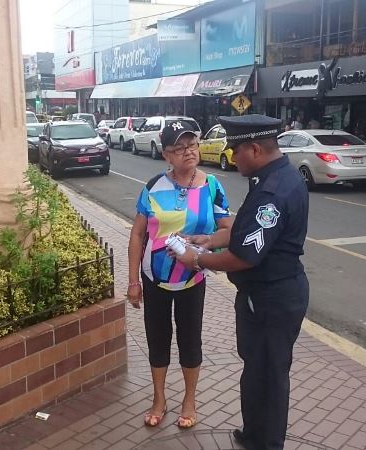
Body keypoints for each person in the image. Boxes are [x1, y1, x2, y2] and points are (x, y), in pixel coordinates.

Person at [172, 114, 310, 450]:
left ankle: (268, 443)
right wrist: (209, 239)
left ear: (255, 149)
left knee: (271, 376)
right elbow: (245, 229)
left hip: (273, 299)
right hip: (259, 297)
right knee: (256, 368)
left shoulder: (274, 192)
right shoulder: (270, 178)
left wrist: (197, 259)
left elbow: (245, 256)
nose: (232, 158)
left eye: (236, 150)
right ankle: (253, 434)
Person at [127, 119, 233, 430]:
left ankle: (189, 400)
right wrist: (133, 281)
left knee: (190, 340)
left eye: (192, 145)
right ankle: (159, 399)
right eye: (179, 148)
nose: (188, 152)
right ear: (166, 155)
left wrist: (206, 244)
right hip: (155, 278)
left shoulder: (212, 186)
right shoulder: (153, 187)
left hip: (192, 278)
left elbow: (229, 230)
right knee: (157, 340)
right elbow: (137, 235)